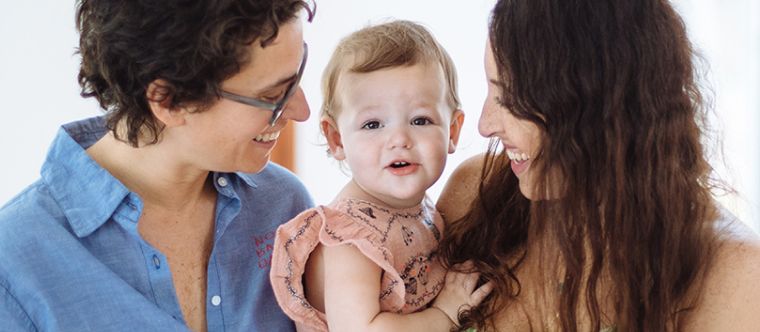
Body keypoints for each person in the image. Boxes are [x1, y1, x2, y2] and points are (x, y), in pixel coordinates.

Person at [437, 0, 760, 331]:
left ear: (600, 107)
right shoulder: (476, 194)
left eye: (510, 99)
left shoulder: (736, 278)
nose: (485, 125)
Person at [0, 1, 315, 331]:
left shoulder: (285, 208)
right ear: (169, 100)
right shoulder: (14, 266)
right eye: (272, 95)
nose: (302, 111)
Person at [269, 20, 492, 331]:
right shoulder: (350, 237)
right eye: (373, 125)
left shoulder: (424, 210)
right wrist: (444, 314)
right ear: (336, 139)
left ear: (452, 131)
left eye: (420, 120)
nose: (399, 139)